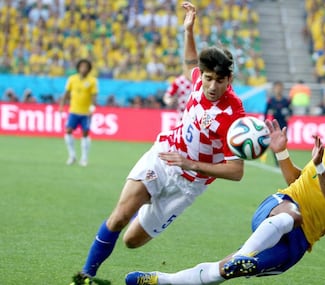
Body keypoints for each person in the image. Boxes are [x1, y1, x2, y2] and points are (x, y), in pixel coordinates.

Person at [70, 2, 245, 285]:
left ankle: (147, 198)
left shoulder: (234, 117)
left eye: (220, 81)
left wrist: (192, 164)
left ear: (230, 80)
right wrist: (188, 30)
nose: (212, 86)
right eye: (208, 78)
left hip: (189, 184)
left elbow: (236, 171)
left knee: (131, 241)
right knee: (118, 218)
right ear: (202, 76)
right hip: (165, 156)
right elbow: (190, 61)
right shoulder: (198, 81)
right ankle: (85, 275)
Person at [125, 120, 325, 285]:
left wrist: (320, 165)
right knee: (291, 215)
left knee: (224, 271)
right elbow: (295, 180)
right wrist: (281, 150)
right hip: (280, 205)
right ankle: (244, 254)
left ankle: (160, 280)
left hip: (301, 241)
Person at [59, 58, 98, 167]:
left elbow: (94, 96)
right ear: (78, 68)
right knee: (68, 130)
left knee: (85, 133)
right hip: (74, 111)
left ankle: (84, 158)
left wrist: (92, 108)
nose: (83, 69)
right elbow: (66, 94)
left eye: (85, 67)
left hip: (85, 113)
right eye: (81, 66)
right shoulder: (72, 79)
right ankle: (72, 156)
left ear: (89, 69)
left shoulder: (92, 81)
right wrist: (62, 106)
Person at [263, 81, 291, 166]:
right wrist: (265, 122)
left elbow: (290, 110)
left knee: (282, 143)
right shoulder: (271, 101)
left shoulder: (286, 101)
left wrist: (289, 115)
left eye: (280, 88)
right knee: (274, 142)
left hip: (284, 124)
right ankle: (276, 160)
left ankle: (282, 159)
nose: (278, 90)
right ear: (274, 89)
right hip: (274, 124)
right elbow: (265, 112)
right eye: (277, 88)